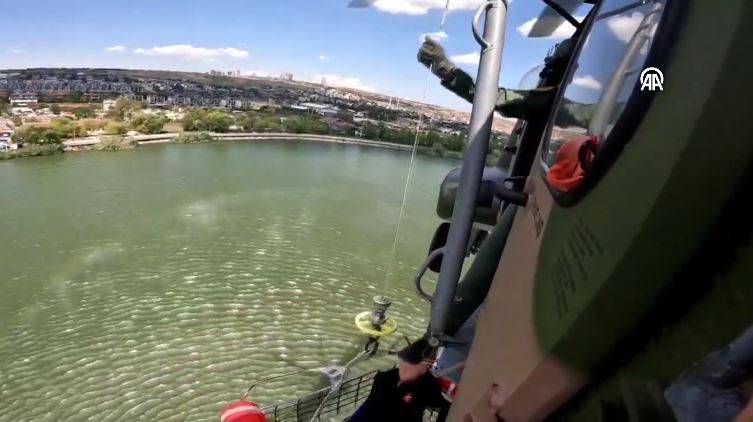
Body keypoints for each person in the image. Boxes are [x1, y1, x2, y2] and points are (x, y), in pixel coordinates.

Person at [417, 37, 576, 121]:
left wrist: (443, 67)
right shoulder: (571, 108)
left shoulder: (559, 106)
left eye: (553, 68)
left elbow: (493, 98)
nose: (545, 75)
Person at [349, 346, 450, 422]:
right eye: (405, 362)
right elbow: (370, 404)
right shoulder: (385, 377)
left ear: (425, 366)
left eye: (412, 363)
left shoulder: (429, 386)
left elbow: (445, 406)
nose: (406, 367)